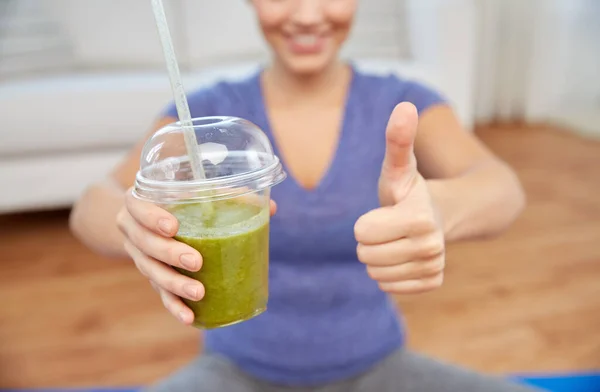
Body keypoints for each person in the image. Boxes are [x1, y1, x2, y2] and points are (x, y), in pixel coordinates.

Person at [70, 1, 534, 391]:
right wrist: (130, 223)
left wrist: (442, 208)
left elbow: (500, 186)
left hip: (378, 369)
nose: (309, 15)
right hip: (234, 372)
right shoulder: (206, 116)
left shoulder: (400, 103)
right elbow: (93, 202)